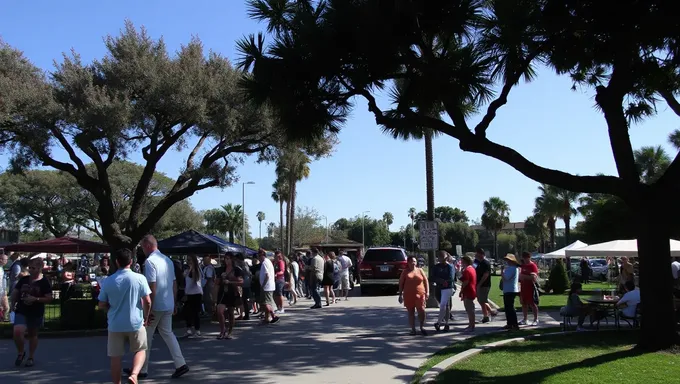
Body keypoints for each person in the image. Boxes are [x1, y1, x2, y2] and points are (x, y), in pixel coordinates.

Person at [129, 235, 189, 380]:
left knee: (146, 336)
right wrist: (174, 302)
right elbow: (174, 284)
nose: (142, 251)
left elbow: (152, 286)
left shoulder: (150, 262)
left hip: (156, 305)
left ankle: (142, 369)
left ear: (148, 246)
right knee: (168, 333)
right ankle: (180, 363)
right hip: (168, 303)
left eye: (143, 247)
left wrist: (148, 310)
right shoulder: (167, 260)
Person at [98, 249, 152, 384]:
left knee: (115, 357)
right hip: (135, 321)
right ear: (131, 261)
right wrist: (146, 316)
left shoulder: (108, 281)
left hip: (115, 323)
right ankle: (134, 374)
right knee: (140, 349)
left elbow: (101, 304)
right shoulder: (140, 279)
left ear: (116, 262)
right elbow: (148, 301)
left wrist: (109, 307)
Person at [11, 257, 53, 367]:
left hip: (35, 312)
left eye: (33, 268)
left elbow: (49, 298)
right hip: (21, 309)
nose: (30, 270)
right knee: (17, 332)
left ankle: (31, 357)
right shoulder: (24, 279)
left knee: (32, 334)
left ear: (40, 268)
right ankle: (21, 352)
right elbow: (16, 291)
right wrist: (12, 304)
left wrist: (36, 299)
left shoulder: (44, 282)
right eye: (29, 267)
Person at [398, 255, 429, 336]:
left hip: (420, 294)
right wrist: (400, 294)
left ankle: (422, 327)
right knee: (411, 312)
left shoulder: (420, 270)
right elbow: (401, 283)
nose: (413, 263)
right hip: (408, 295)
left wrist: (427, 292)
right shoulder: (405, 272)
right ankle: (413, 329)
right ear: (408, 262)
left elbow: (426, 281)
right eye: (411, 261)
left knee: (421, 311)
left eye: (415, 261)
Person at [215, 253, 244, 339]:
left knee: (231, 312)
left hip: (232, 292)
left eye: (228, 258)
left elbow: (241, 282)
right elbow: (216, 282)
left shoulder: (236, 269)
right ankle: (222, 330)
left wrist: (230, 281)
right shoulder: (221, 269)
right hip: (222, 292)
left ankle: (230, 331)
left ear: (232, 259)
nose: (226, 260)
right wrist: (221, 279)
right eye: (225, 259)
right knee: (219, 311)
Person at [432, 251, 455, 332]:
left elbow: (451, 277)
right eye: (439, 257)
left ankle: (444, 323)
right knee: (443, 305)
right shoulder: (436, 267)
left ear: (446, 257)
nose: (441, 259)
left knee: (445, 305)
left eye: (443, 257)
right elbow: (433, 277)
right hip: (438, 288)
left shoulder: (450, 267)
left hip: (447, 288)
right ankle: (442, 322)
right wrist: (440, 281)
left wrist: (444, 281)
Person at [182, 255, 203, 338]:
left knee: (195, 312)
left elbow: (195, 279)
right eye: (188, 260)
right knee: (187, 312)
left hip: (196, 293)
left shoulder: (196, 270)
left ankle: (197, 330)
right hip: (189, 293)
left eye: (190, 260)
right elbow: (184, 278)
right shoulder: (187, 270)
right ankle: (189, 329)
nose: (188, 262)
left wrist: (191, 269)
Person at [258, 249, 280, 324]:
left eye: (259, 256)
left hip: (266, 287)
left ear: (261, 256)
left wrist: (263, 285)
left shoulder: (265, 263)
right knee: (267, 302)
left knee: (266, 303)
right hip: (269, 286)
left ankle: (274, 316)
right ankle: (266, 318)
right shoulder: (268, 261)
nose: (258, 258)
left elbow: (267, 275)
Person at [474, 248, 495, 323]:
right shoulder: (477, 262)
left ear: (481, 254)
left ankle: (488, 314)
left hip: (485, 285)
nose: (476, 255)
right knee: (481, 300)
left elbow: (486, 274)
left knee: (482, 300)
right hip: (479, 284)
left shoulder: (486, 263)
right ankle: (488, 314)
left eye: (477, 253)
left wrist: (479, 284)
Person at [519, 251, 539, 326]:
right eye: (524, 258)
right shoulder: (523, 266)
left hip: (531, 287)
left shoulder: (532, 266)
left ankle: (536, 319)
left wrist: (524, 277)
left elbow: (534, 277)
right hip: (523, 287)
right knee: (524, 303)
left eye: (526, 258)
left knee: (532, 303)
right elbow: (520, 276)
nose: (525, 259)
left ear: (529, 257)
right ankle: (525, 319)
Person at [501, 254, 520, 331]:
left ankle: (514, 324)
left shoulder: (511, 269)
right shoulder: (515, 268)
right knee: (508, 307)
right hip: (512, 289)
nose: (507, 262)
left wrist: (502, 271)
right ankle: (510, 323)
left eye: (508, 260)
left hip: (509, 290)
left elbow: (506, 278)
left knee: (510, 308)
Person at [459, 255, 477, 332]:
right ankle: (470, 325)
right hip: (472, 290)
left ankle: (471, 326)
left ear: (465, 262)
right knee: (470, 309)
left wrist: (461, 290)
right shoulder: (472, 268)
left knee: (469, 310)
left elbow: (465, 281)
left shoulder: (467, 270)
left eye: (462, 261)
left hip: (468, 291)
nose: (461, 263)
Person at [1, 253, 9, 322]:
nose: (7, 261)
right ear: (1, 260)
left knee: (6, 307)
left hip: (2, 291)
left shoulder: (1, 268)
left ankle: (2, 319)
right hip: (1, 291)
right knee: (5, 307)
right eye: (6, 259)